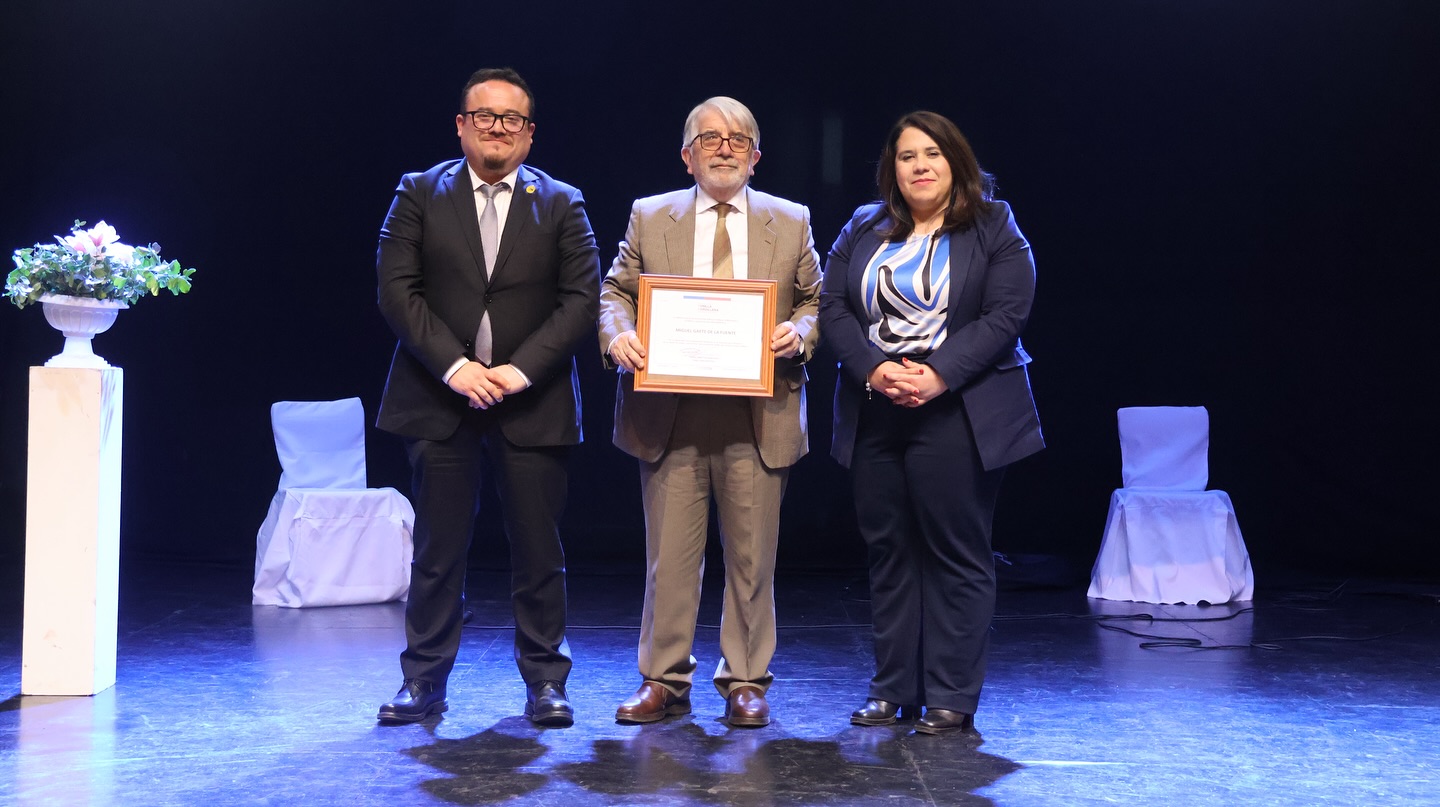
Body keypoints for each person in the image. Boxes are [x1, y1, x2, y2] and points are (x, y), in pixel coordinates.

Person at [374, 67, 600, 726]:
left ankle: (546, 682)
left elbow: (580, 300)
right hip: (438, 397)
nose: (497, 127)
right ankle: (423, 682)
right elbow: (396, 290)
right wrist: (456, 367)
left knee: (538, 550)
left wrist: (517, 371)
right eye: (484, 115)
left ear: (529, 135)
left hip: (533, 400)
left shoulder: (562, 202)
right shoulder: (417, 192)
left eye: (511, 119)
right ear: (461, 125)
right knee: (436, 550)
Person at [598, 96, 821, 728]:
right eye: (709, 138)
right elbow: (614, 291)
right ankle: (662, 679)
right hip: (669, 413)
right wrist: (618, 336)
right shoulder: (650, 215)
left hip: (758, 413)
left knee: (753, 558)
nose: (723, 147)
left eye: (737, 138)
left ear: (755, 155)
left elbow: (816, 300)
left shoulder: (792, 220)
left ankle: (745, 680)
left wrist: (800, 334)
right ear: (687, 156)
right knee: (669, 557)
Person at [818, 111, 1043, 736]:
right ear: (892, 169)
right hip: (877, 407)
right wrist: (873, 370)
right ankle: (893, 690)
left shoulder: (994, 224)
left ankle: (951, 695)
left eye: (933, 154)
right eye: (907, 155)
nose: (920, 165)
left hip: (959, 409)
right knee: (889, 551)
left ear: (956, 162)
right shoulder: (865, 226)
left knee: (955, 553)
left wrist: (938, 374)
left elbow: (1005, 314)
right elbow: (832, 306)